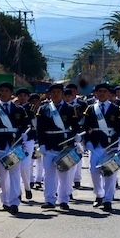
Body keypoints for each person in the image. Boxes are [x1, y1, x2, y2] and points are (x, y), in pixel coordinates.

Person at [0, 81, 31, 215]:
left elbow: (26, 125)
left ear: (11, 93)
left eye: (6, 91)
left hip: (14, 144)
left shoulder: (19, 109)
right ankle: (5, 200)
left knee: (15, 174)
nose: (3, 93)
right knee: (3, 175)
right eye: (1, 91)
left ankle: (14, 202)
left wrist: (24, 134)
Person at [82, 83, 120, 212]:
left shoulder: (115, 108)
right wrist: (87, 141)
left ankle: (108, 199)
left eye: (104, 91)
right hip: (95, 144)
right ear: (96, 93)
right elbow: (86, 127)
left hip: (110, 144)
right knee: (93, 171)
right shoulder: (90, 108)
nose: (102, 93)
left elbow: (119, 127)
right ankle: (99, 194)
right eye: (99, 91)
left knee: (110, 173)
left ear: (109, 93)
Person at [36, 83, 80, 211]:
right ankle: (49, 200)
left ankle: (63, 200)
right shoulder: (43, 109)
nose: (55, 94)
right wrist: (42, 144)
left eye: (58, 92)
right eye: (53, 92)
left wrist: (77, 136)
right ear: (50, 94)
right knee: (49, 174)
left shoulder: (70, 109)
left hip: (65, 145)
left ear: (62, 94)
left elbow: (75, 126)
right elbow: (40, 129)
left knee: (64, 175)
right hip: (49, 145)